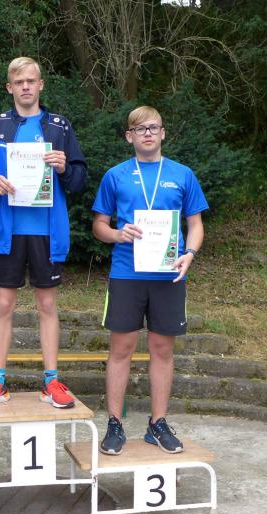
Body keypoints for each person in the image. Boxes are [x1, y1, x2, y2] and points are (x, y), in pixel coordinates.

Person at [0, 57, 87, 410]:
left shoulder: (59, 126)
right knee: (4, 304)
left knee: (47, 304)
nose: (25, 86)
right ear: (10, 87)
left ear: (41, 85)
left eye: (31, 81)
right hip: (8, 230)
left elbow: (79, 180)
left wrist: (65, 168)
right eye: (19, 81)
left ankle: (51, 381)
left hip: (46, 231)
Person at [91, 105, 208, 454]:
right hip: (127, 273)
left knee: (162, 350)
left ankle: (158, 423)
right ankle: (114, 423)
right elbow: (99, 225)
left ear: (163, 133)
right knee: (121, 350)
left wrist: (190, 253)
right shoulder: (115, 175)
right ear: (129, 136)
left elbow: (196, 224)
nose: (147, 133)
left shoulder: (183, 174)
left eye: (153, 127)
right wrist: (117, 234)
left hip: (169, 274)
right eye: (140, 129)